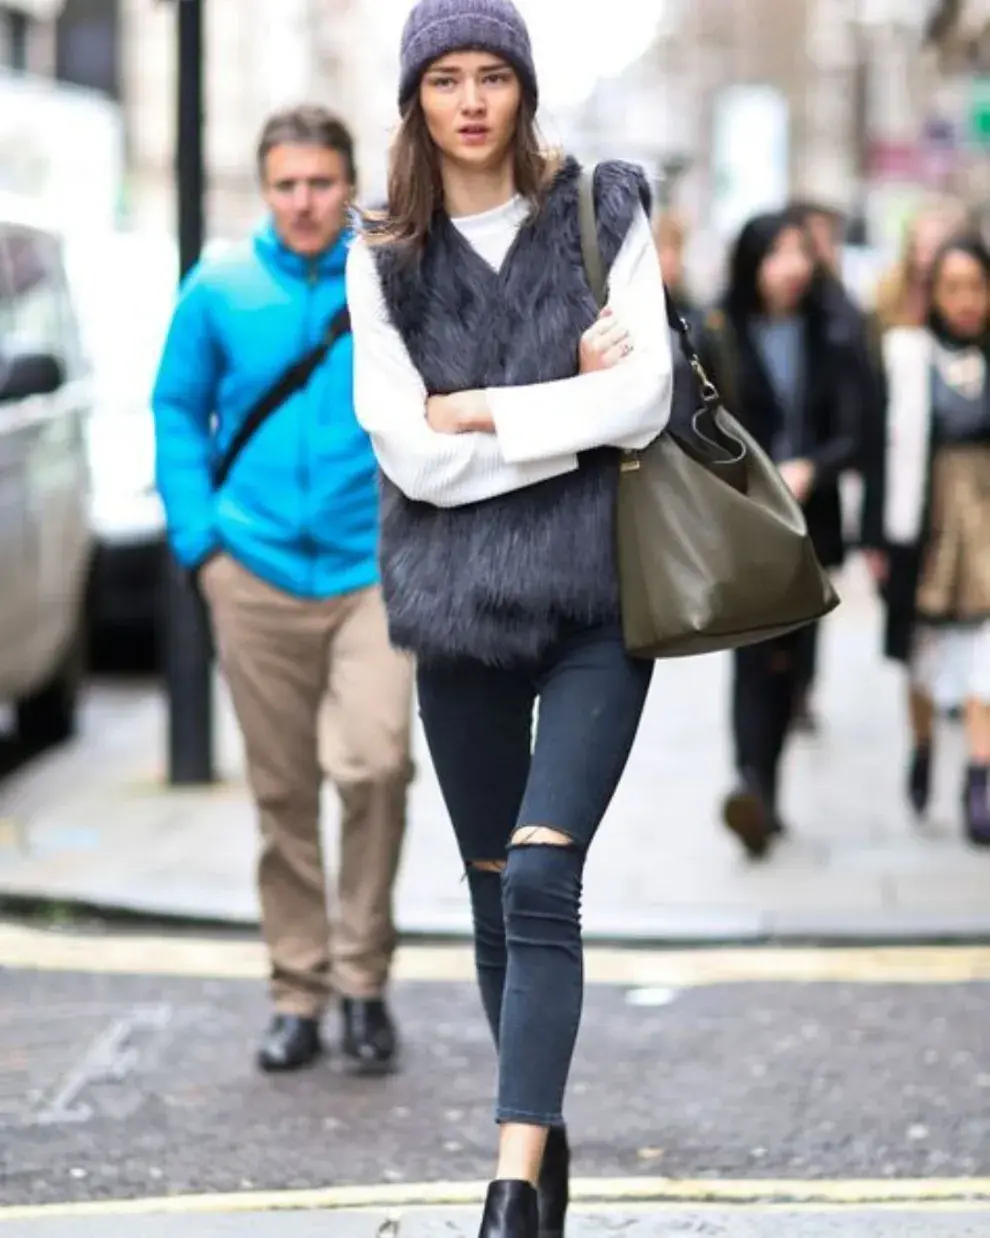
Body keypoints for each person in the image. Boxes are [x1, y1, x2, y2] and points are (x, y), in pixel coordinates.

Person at [346, 1, 673, 1233]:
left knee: (542, 874)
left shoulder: (605, 210)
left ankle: (503, 1187)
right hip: (459, 609)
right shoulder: (381, 251)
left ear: (525, 89)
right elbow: (410, 461)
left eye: (494, 75)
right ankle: (543, 1148)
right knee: (494, 898)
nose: (472, 100)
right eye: (446, 80)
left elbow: (640, 403)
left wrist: (475, 408)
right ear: (416, 100)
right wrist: (554, 412)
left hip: (600, 599)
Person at [153, 107, 413, 1076]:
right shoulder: (217, 285)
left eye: (322, 182)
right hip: (252, 570)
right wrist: (200, 544)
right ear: (266, 190)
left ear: (351, 184)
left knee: (377, 766)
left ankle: (364, 981)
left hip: (371, 571)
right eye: (287, 185)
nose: (305, 201)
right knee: (283, 791)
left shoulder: (390, 274)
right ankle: (299, 990)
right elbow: (177, 407)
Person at [699, 209, 861, 860]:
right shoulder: (718, 330)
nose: (792, 267)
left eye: (801, 253)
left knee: (793, 663)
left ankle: (767, 786)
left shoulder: (834, 330)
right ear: (752, 261)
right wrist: (758, 473)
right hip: (745, 522)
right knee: (752, 657)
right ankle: (752, 786)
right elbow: (699, 424)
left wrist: (814, 468)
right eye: (778, 254)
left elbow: (856, 429)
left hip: (810, 525)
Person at [864, 236, 990, 845]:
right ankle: (921, 749)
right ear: (934, 294)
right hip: (925, 532)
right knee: (924, 659)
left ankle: (978, 775)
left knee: (983, 662)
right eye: (954, 288)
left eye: (977, 287)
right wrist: (877, 540)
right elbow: (879, 453)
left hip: (987, 532)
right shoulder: (906, 357)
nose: (967, 301)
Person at [863, 198, 973, 756]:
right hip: (913, 510)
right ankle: (923, 738)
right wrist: (876, 534)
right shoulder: (892, 327)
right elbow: (878, 439)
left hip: (969, 512)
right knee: (917, 641)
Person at [788, 199, 885, 732]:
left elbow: (860, 411)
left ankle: (801, 689)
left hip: (818, 482)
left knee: (811, 601)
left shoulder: (841, 311)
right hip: (769, 481)